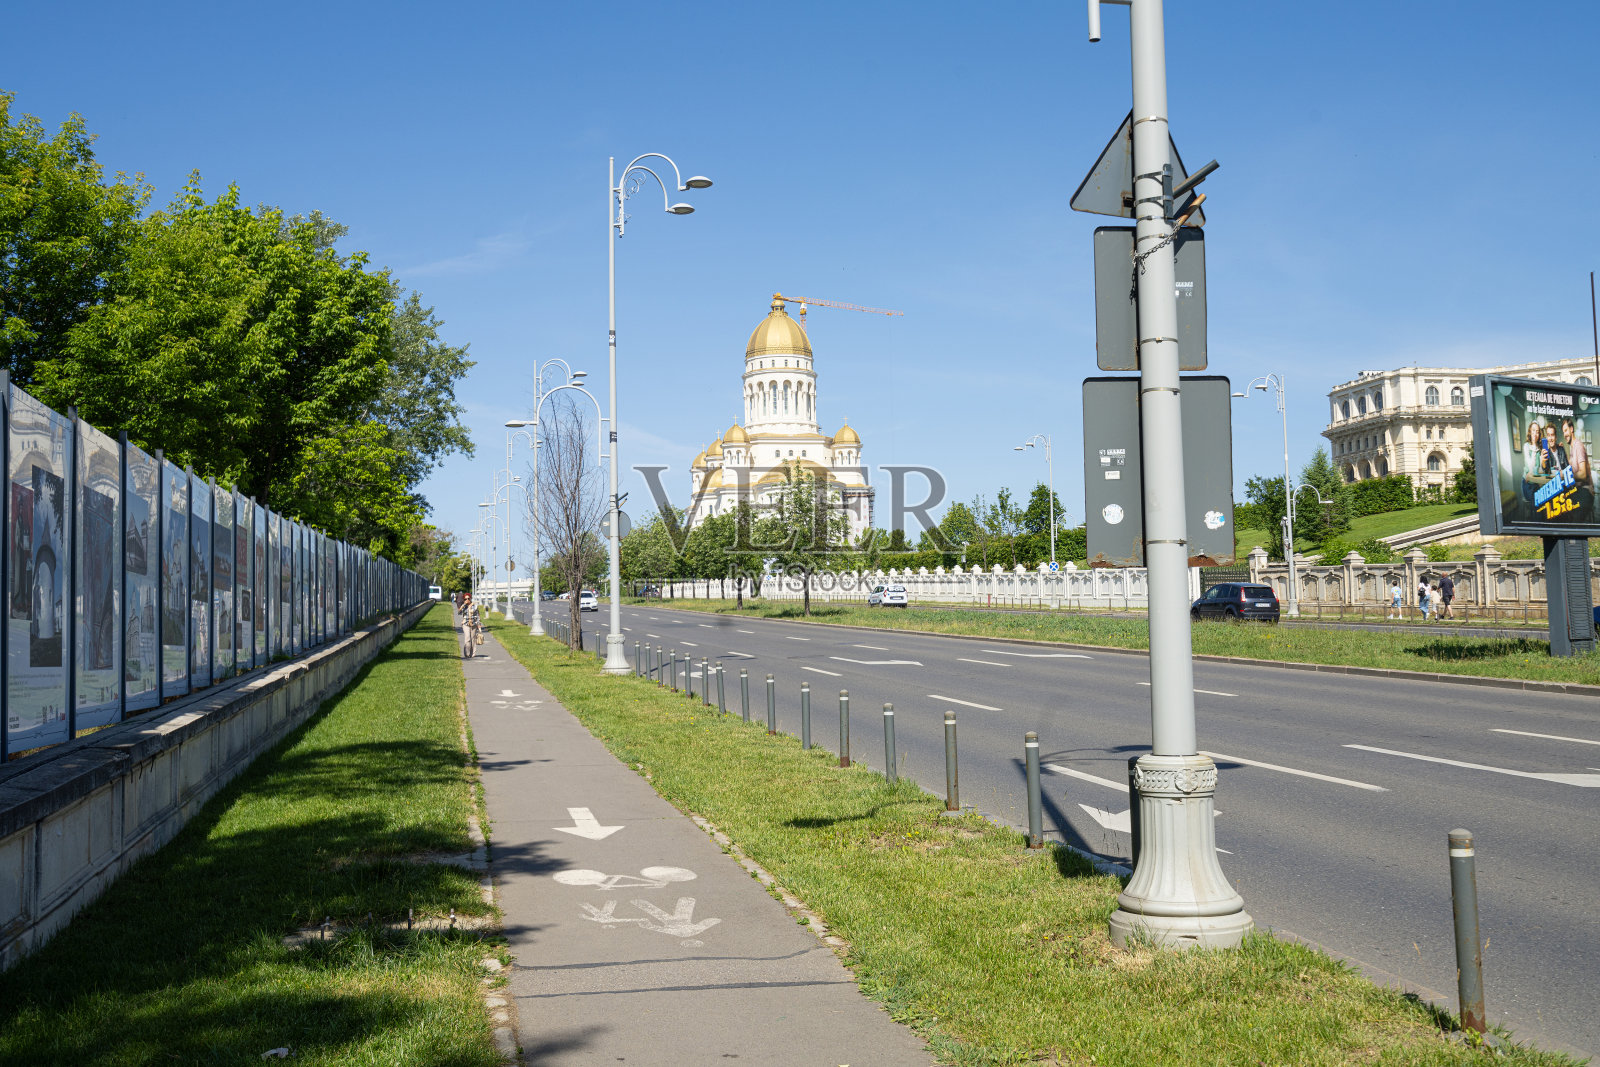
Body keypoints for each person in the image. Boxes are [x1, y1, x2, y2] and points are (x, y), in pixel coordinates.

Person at [460, 593, 481, 659]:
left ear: (470, 598)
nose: (467, 600)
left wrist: (479, 625)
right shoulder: (464, 606)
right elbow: (459, 612)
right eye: (465, 599)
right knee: (467, 638)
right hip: (465, 624)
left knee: (473, 639)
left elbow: (477, 615)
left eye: (468, 598)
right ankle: (467, 653)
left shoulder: (475, 606)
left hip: (473, 624)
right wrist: (464, 605)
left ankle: (473, 654)